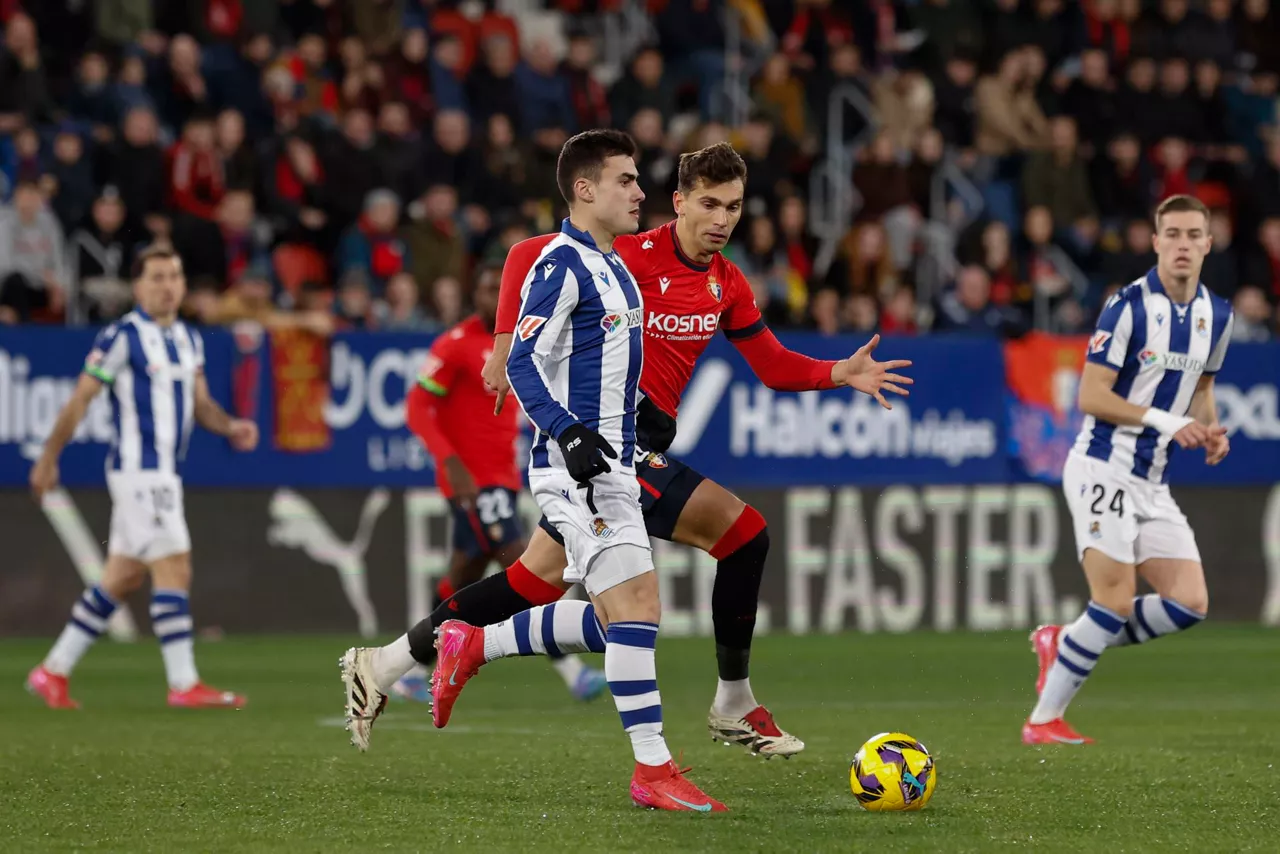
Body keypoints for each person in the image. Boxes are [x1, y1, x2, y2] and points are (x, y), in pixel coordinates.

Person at [345, 142, 912, 757]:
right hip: (612, 443)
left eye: (735, 207)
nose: (722, 220)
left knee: (527, 583)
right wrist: (505, 345)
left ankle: (384, 664)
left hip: (625, 447)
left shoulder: (726, 282)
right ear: (680, 202)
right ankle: (731, 705)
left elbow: (771, 364)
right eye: (710, 204)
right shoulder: (630, 253)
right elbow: (525, 256)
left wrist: (837, 373)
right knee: (741, 538)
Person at [1023, 195, 1234, 745]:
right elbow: (1091, 396)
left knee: (1190, 602)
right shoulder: (1129, 307)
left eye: (1194, 235)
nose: (1184, 244)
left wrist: (1208, 429)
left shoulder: (1220, 316)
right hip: (1101, 468)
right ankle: (1043, 720)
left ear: (1208, 244)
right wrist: (1169, 421)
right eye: (1173, 234)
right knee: (1113, 602)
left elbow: (1203, 387)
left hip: (1151, 480)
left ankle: (1063, 642)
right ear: (1156, 241)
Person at [26, 246, 259, 709]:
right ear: (138, 287)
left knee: (123, 577)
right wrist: (48, 458)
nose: (167, 285)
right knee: (175, 565)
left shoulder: (189, 340)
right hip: (140, 473)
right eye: (156, 277)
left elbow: (200, 404)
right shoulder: (122, 337)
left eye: (174, 276)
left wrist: (230, 425)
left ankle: (52, 671)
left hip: (163, 473)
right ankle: (183, 683)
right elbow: (80, 399)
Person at [389, 262, 606, 704]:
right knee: (524, 566)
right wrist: (449, 461)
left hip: (504, 478)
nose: (496, 297)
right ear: (476, 295)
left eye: (502, 290)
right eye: (488, 289)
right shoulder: (454, 345)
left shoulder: (519, 341)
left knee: (464, 574)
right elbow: (416, 407)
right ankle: (572, 671)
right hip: (473, 482)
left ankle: (409, 669)